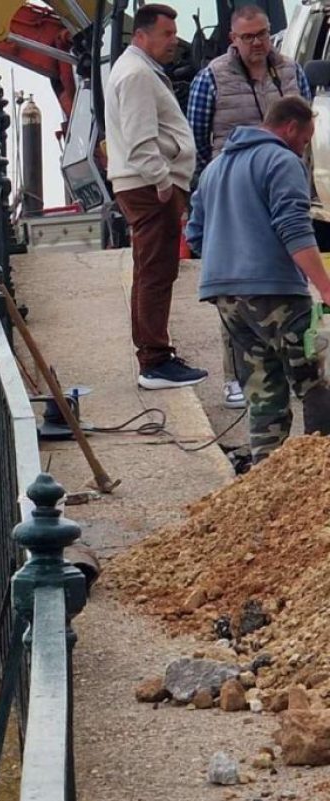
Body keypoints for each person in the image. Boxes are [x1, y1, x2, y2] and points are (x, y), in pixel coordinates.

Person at [186, 96, 330, 464]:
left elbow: (196, 234)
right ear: (290, 128)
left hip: (226, 296)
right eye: (304, 139)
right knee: (315, 384)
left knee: (264, 391)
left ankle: (267, 474)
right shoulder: (283, 160)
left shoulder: (215, 169)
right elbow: (294, 229)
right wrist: (326, 288)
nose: (303, 148)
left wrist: (231, 261)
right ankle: (321, 475)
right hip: (276, 293)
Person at [187, 3, 312, 410]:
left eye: (262, 34)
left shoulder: (292, 71)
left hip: (282, 178)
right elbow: (198, 141)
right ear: (232, 40)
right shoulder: (211, 79)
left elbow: (306, 119)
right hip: (233, 186)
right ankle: (236, 377)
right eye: (248, 37)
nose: (258, 43)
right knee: (241, 285)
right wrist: (215, 190)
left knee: (278, 275)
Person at [105, 3, 206, 390]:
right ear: (142, 35)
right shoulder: (136, 75)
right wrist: (164, 181)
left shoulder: (137, 70)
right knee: (156, 272)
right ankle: (154, 361)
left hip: (145, 184)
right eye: (167, 34)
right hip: (148, 187)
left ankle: (155, 355)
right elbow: (139, 140)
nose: (174, 41)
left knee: (154, 271)